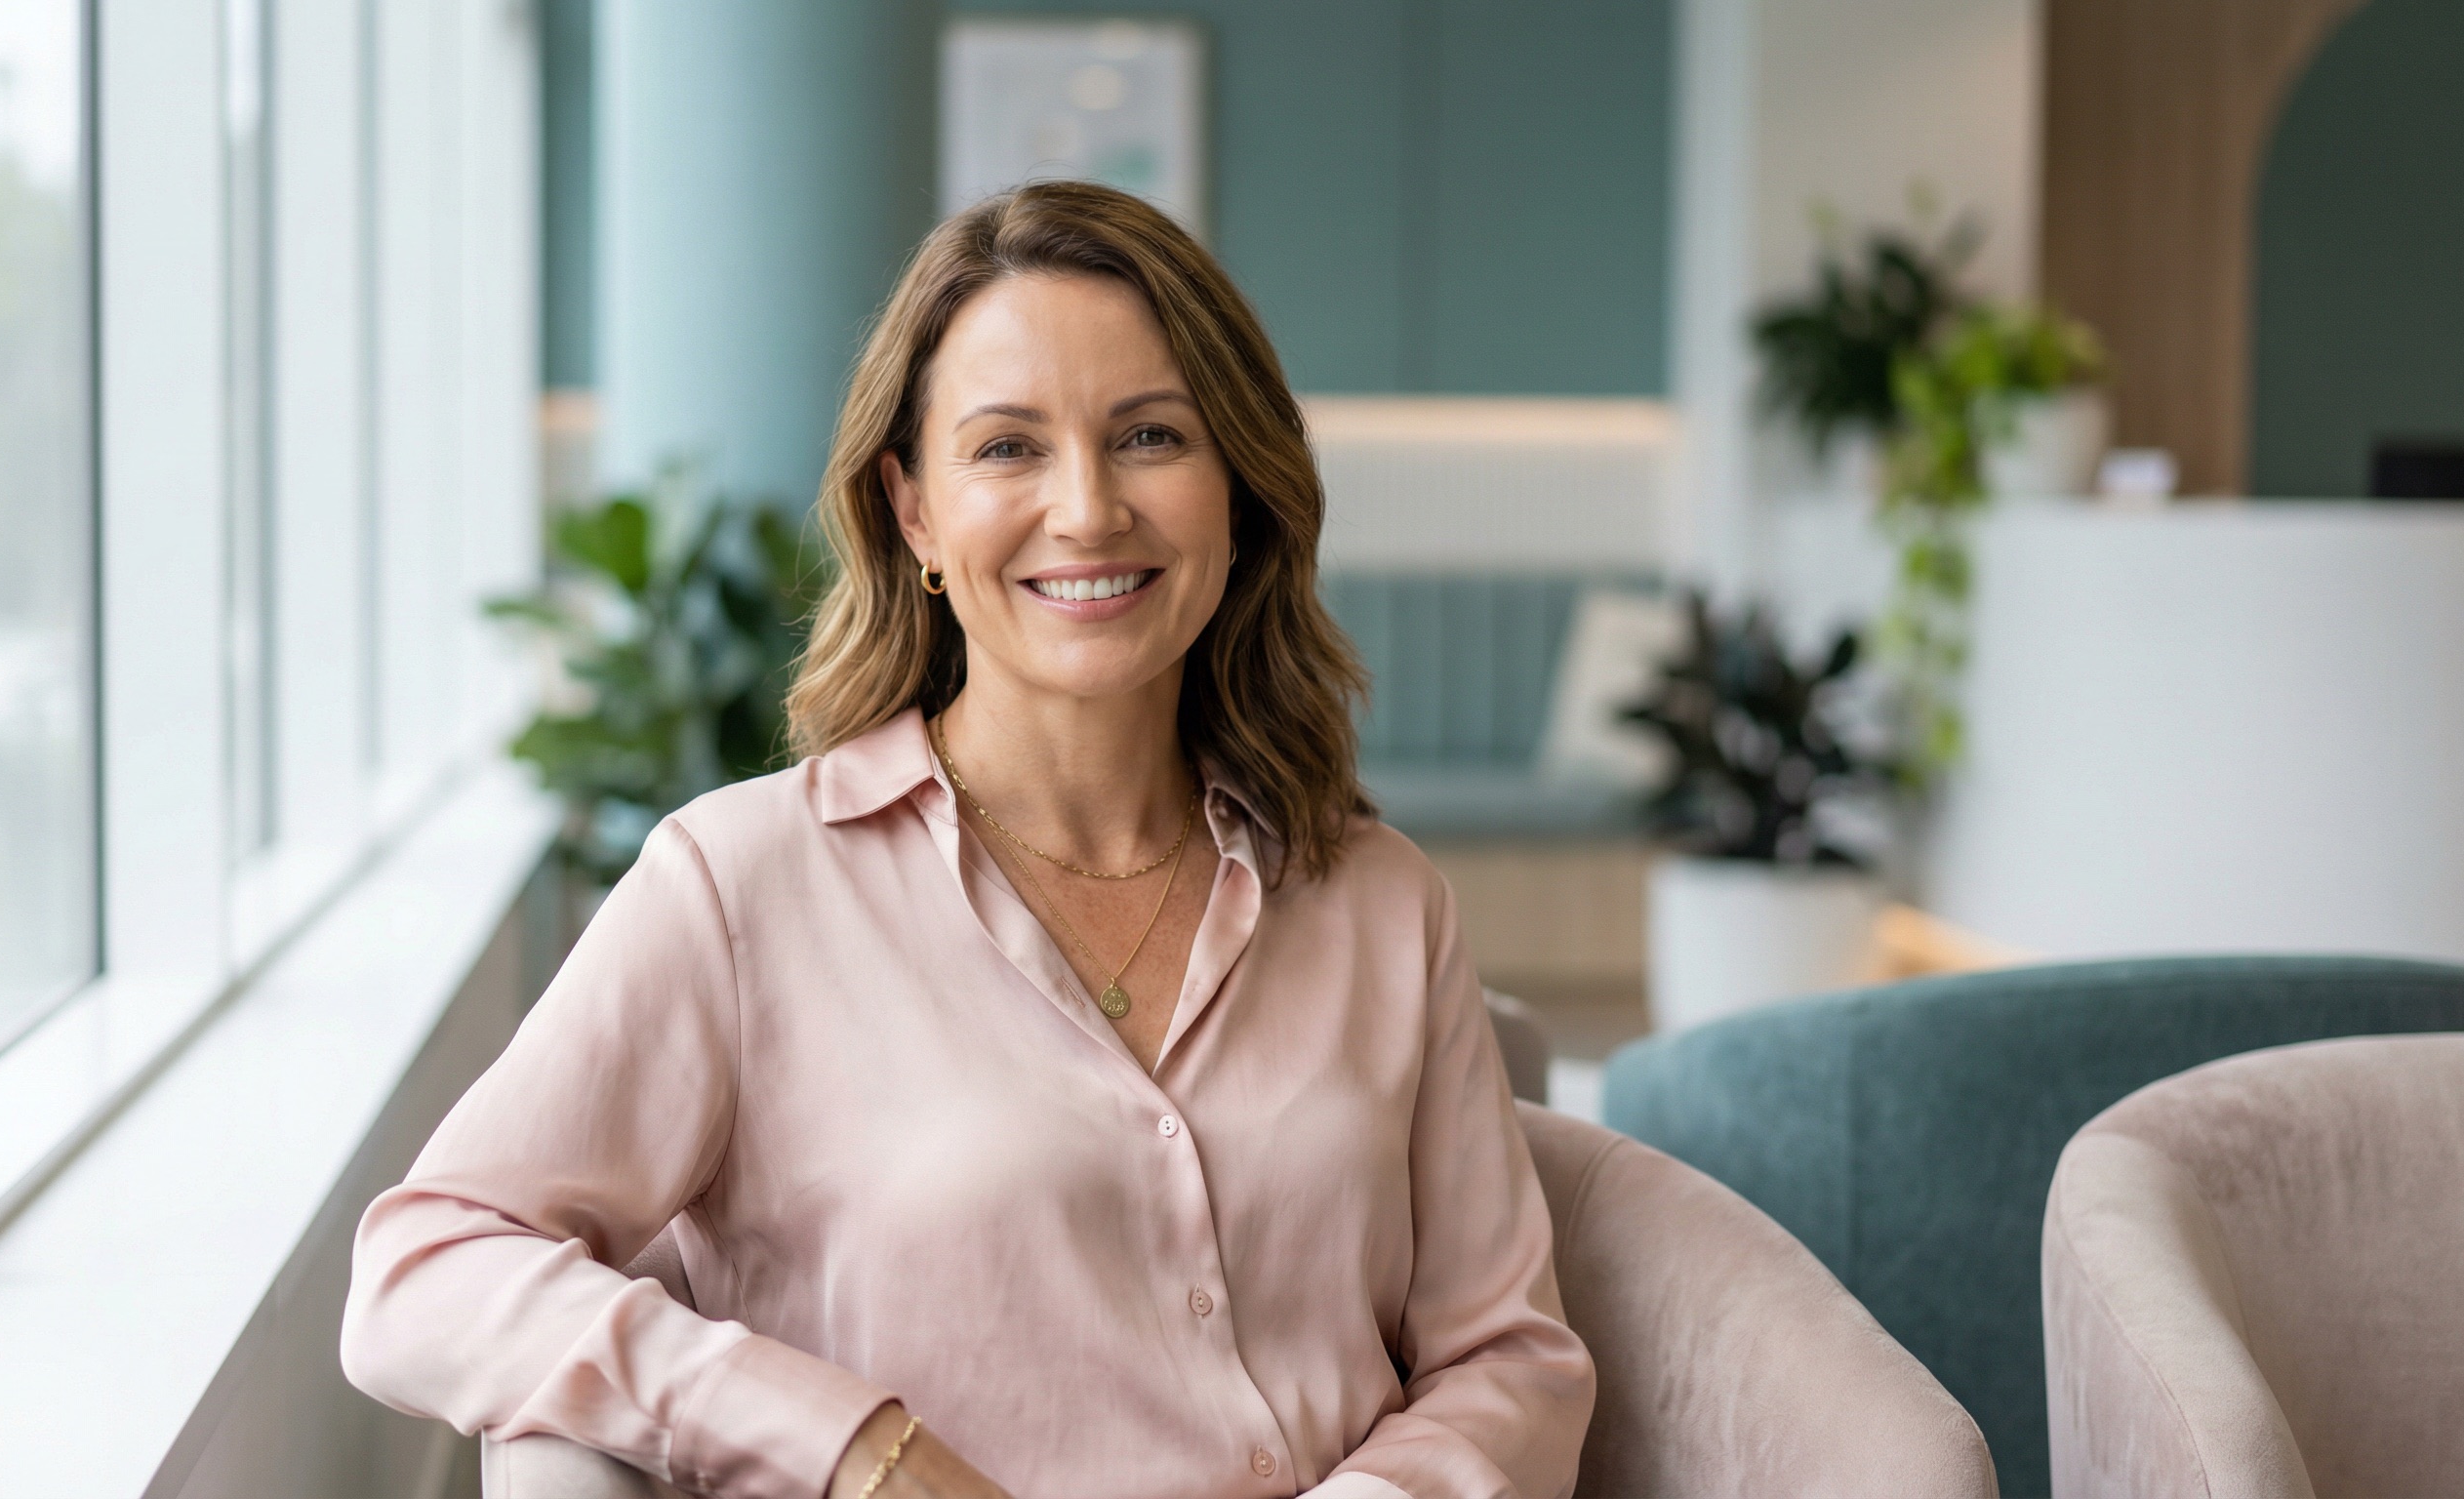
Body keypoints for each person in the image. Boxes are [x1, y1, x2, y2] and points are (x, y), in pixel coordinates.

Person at [343, 181, 1595, 1499]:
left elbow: (1509, 1358)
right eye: (1007, 448)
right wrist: (850, 1445)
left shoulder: (1380, 901)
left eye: (1153, 435)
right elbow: (425, 1268)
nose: (1089, 508)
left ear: (1241, 485)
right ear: (915, 512)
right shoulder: (740, 888)